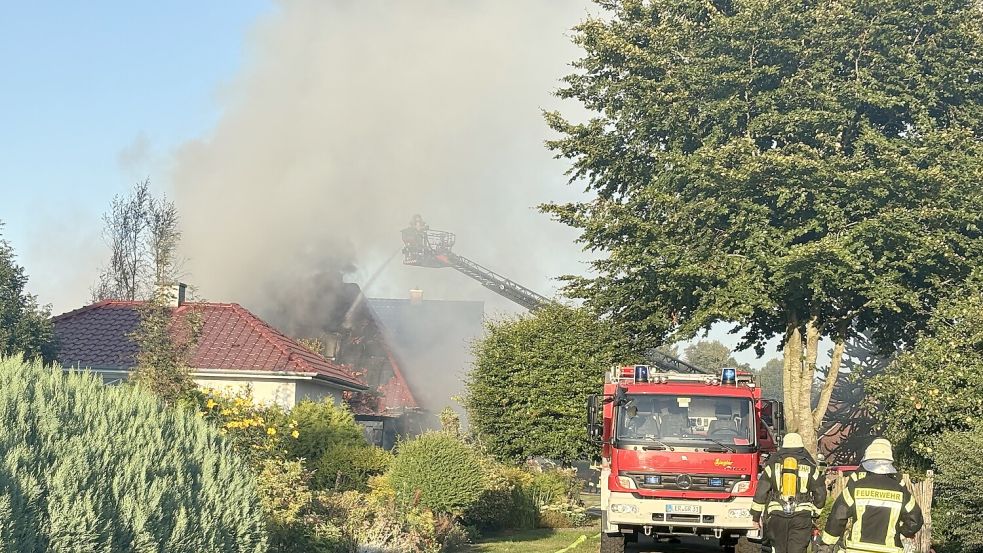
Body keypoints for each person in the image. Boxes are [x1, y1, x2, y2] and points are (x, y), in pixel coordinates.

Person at [818, 438, 923, 553]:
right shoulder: (900, 490)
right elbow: (915, 520)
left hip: (857, 549)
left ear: (867, 461)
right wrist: (902, 531)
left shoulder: (855, 488)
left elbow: (837, 516)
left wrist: (827, 543)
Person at [750, 433, 827, 553]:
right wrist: (816, 513)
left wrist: (755, 517)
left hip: (777, 515)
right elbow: (821, 493)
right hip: (801, 517)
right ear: (801, 447)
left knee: (778, 549)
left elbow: (761, 491)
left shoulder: (773, 465)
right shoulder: (810, 466)